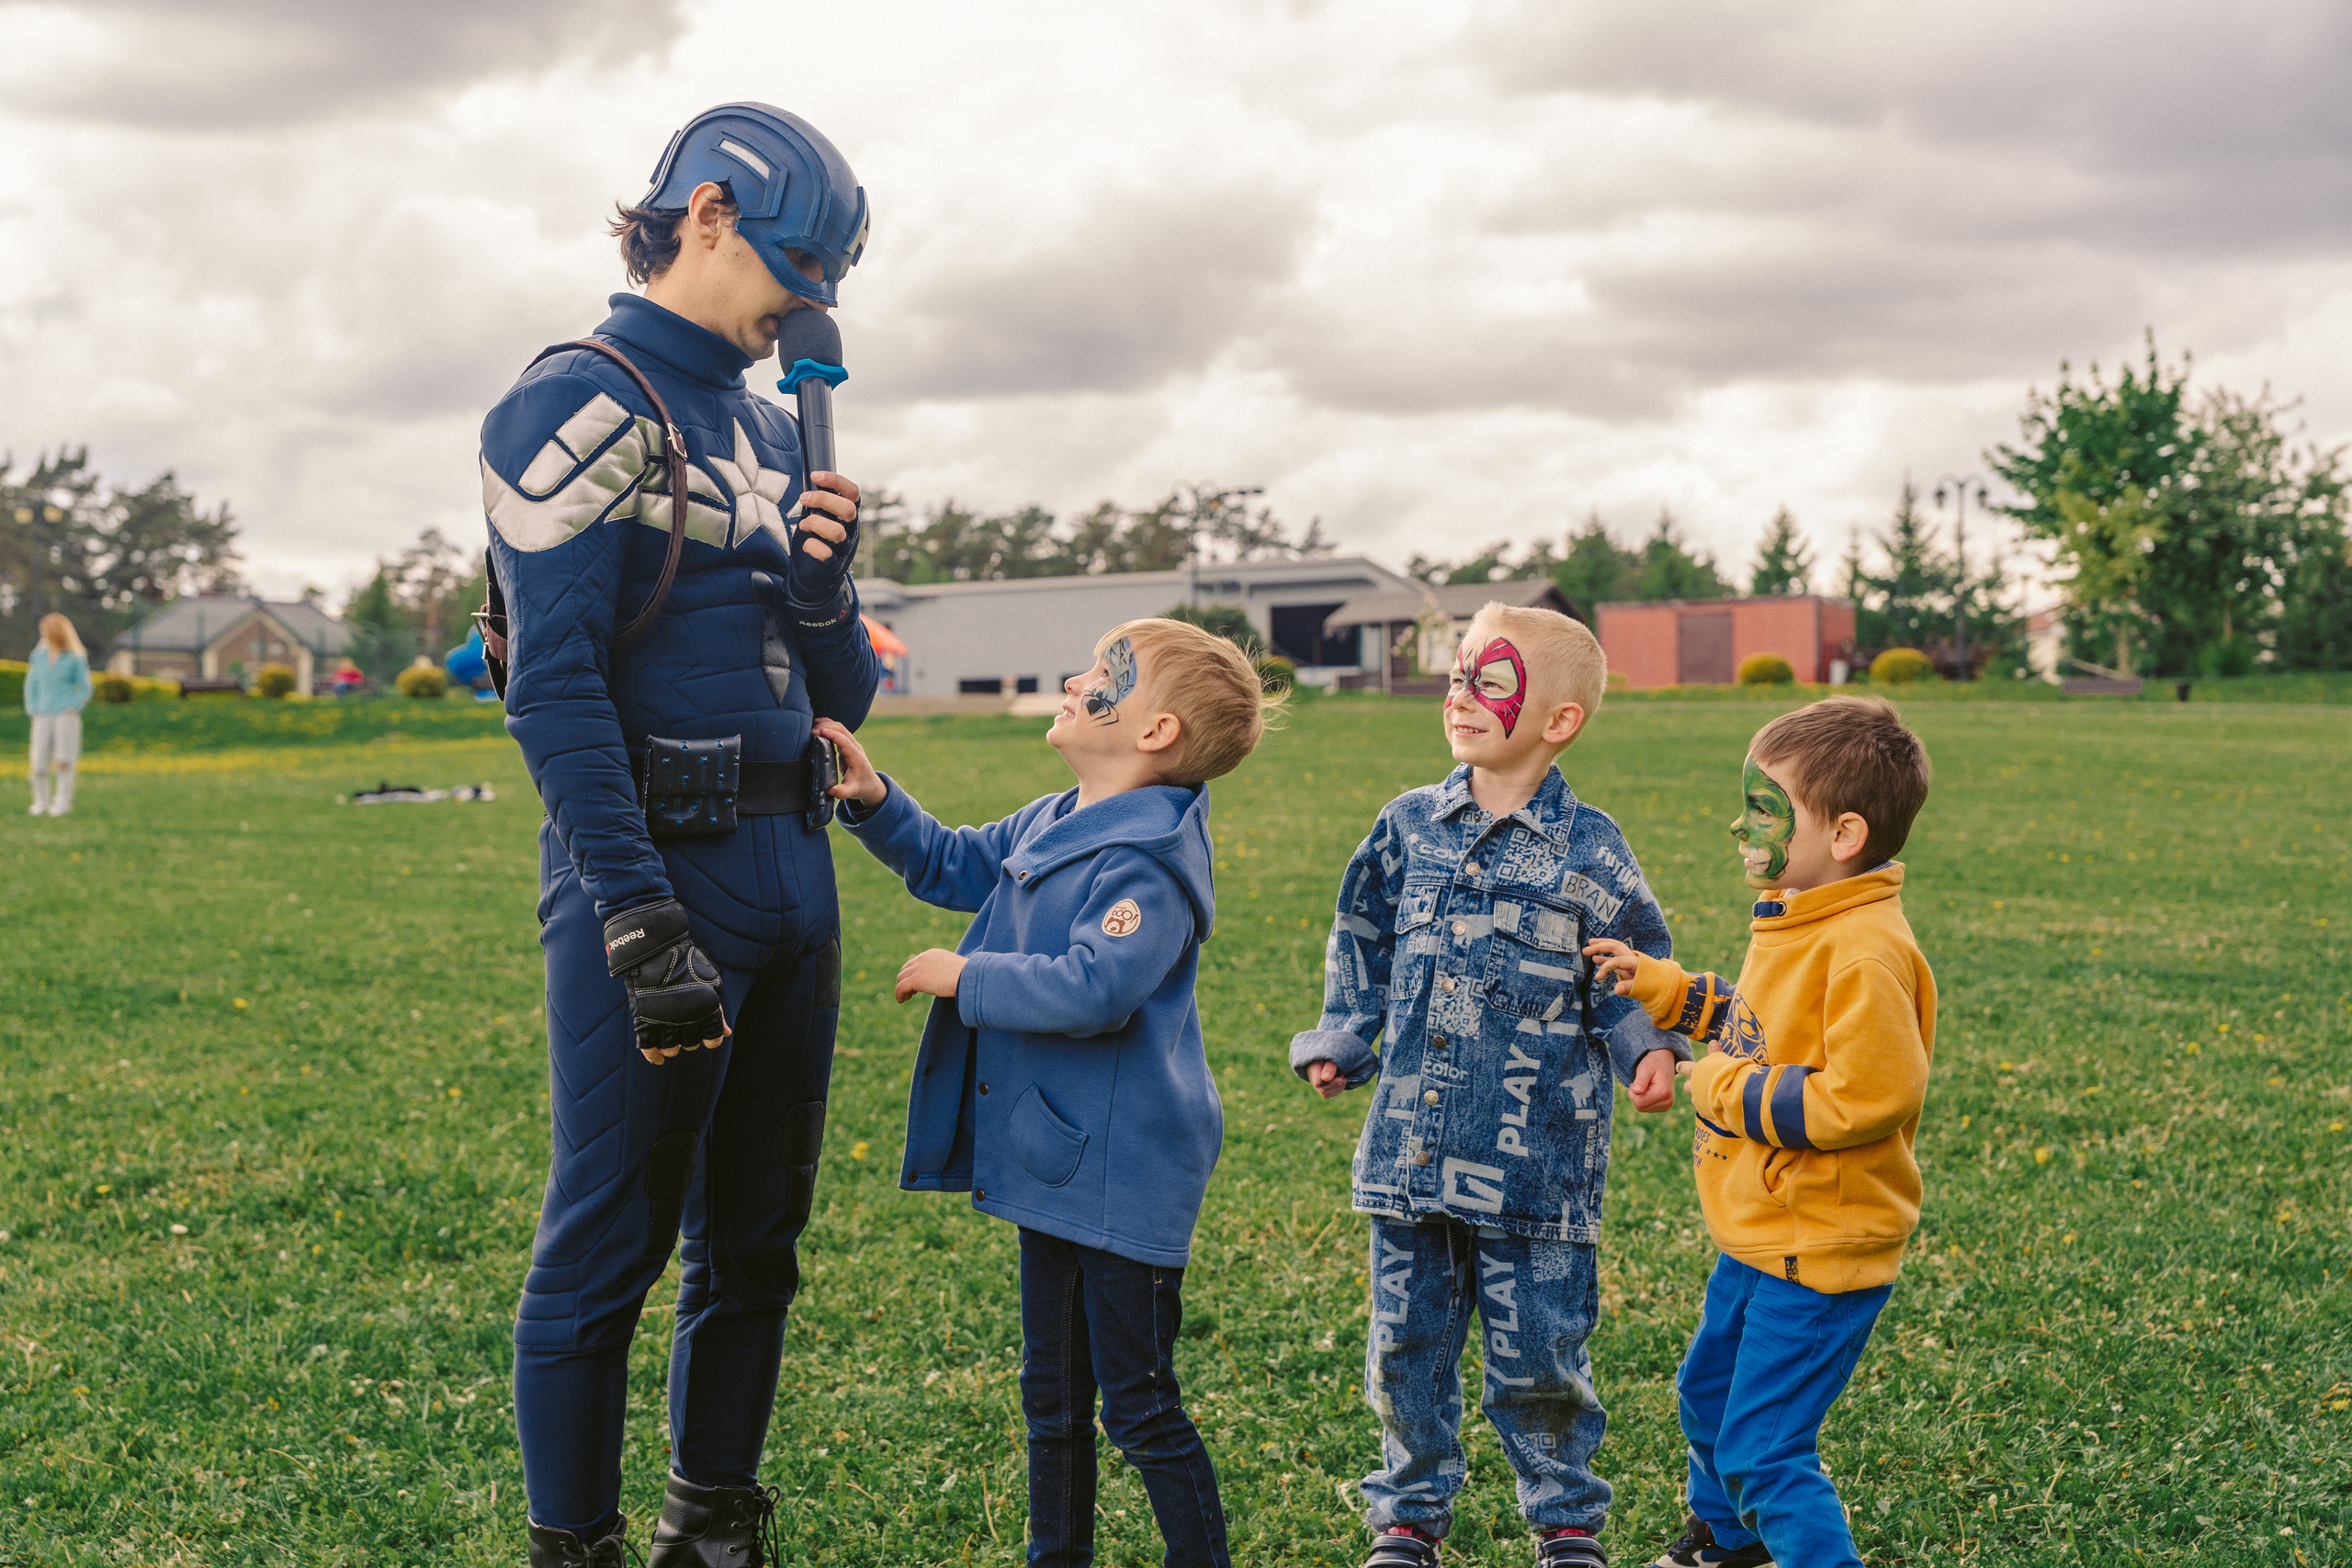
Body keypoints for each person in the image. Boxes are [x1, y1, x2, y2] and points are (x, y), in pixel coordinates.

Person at [478, 102, 879, 1568]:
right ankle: (573, 1545)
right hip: (661, 872)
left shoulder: (775, 428)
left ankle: (714, 1525)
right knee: (607, 1243)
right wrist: (635, 912)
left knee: (758, 1243)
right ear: (705, 214)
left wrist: (828, 594)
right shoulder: (574, 401)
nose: (806, 308)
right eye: (792, 267)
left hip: (794, 871)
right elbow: (553, 683)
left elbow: (840, 698)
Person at [813, 616, 1276, 1568]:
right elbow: (955, 862)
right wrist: (874, 801)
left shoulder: (1146, 861)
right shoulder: (1057, 817)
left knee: (1138, 1405)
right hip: (1057, 1160)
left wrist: (966, 976)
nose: (1076, 680)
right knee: (1052, 1396)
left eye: (1106, 674)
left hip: (1125, 1177)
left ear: (1154, 732)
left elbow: (1095, 988)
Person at [1291, 603, 1683, 1568]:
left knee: (1541, 1355)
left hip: (1536, 1159)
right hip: (1412, 1153)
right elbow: (1361, 938)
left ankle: (1564, 1521)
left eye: (1491, 680)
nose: (1461, 695)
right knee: (1405, 1349)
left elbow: (1628, 965)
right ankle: (1407, 1517)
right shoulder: (1407, 827)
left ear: (1558, 720)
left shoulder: (1591, 849)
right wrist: (1345, 1033)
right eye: (1458, 674)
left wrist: (1647, 1047)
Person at [1581, 695, 1935, 1568]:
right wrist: (1664, 988)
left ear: (1844, 833)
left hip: (1821, 1247)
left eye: (1765, 807)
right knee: (1707, 1395)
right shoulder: (1801, 912)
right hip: (1763, 1233)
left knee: (1764, 1451)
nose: (1740, 824)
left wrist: (1722, 1087)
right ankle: (1729, 1544)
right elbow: (1757, 1022)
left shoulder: (1864, 950)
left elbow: (1863, 1098)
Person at [25, 613, 93, 818]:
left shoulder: (75, 657)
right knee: (38, 762)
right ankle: (41, 802)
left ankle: (62, 803)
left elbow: (85, 687)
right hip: (42, 715)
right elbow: (31, 684)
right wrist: (33, 707)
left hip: (64, 715)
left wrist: (73, 706)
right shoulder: (37, 656)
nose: (43, 634)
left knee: (64, 760)